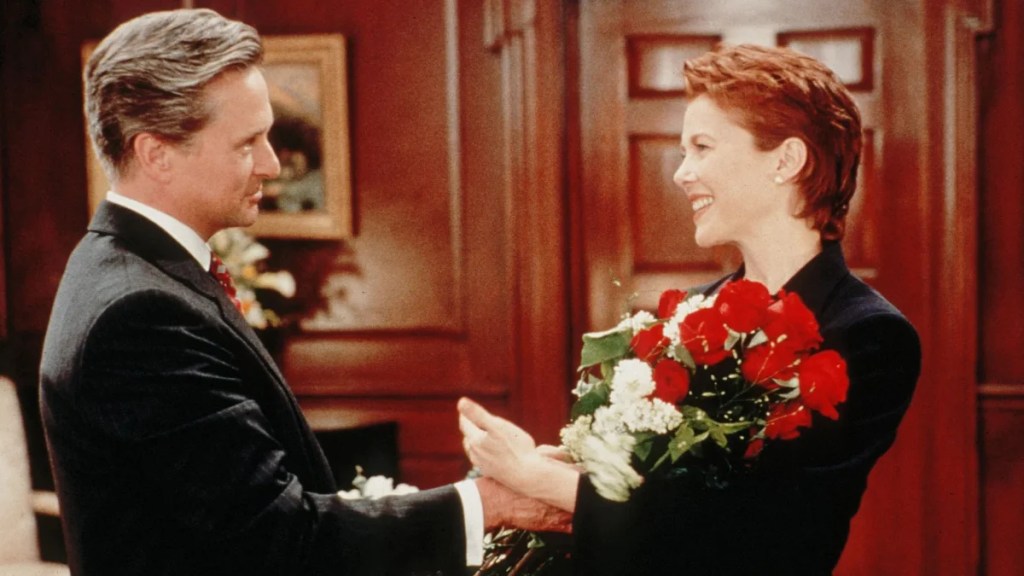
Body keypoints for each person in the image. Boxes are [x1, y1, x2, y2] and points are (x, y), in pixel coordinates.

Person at [39, 9, 568, 576]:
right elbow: (279, 539)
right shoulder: (139, 313)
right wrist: (492, 503)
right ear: (156, 153)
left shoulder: (133, 271)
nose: (271, 164)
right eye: (248, 143)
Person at [459, 43, 921, 575]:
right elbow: (652, 493)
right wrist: (576, 467)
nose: (681, 173)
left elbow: (768, 535)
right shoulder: (694, 311)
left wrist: (544, 482)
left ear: (787, 160)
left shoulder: (869, 334)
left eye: (702, 147)